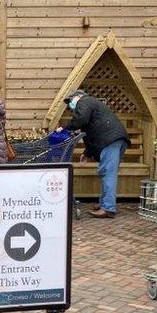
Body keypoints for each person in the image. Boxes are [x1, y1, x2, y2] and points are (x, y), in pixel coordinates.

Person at [58, 90, 130, 218]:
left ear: (78, 97)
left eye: (70, 102)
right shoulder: (92, 104)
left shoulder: (84, 101)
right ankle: (105, 203)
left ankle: (108, 208)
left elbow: (81, 120)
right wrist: (87, 153)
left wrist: (64, 128)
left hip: (110, 140)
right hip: (113, 139)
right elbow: (91, 132)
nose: (70, 105)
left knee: (108, 173)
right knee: (107, 173)